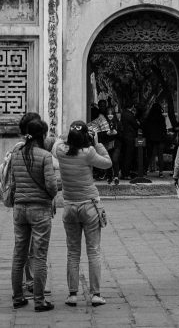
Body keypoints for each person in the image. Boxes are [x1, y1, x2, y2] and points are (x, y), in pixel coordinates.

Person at [53, 120, 111, 307]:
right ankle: (95, 294)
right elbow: (107, 163)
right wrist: (96, 142)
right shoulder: (89, 153)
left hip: (69, 206)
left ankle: (72, 294)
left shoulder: (61, 151)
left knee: (73, 251)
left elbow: (57, 141)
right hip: (89, 206)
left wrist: (69, 135)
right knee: (93, 251)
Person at [10, 118, 57, 312]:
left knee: (19, 254)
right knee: (39, 256)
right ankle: (39, 300)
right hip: (39, 210)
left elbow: (13, 182)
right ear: (42, 135)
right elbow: (52, 187)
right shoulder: (45, 156)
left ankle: (18, 297)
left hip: (19, 209)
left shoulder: (16, 153)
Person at [142, 102, 168, 177]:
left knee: (149, 155)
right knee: (160, 156)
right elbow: (164, 129)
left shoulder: (149, 118)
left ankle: (145, 170)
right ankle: (161, 172)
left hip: (150, 139)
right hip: (160, 139)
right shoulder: (161, 118)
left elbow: (145, 128)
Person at [88, 107, 111, 181]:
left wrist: (96, 135)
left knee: (100, 157)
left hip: (100, 142)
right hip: (95, 142)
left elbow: (106, 131)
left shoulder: (101, 119)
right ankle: (100, 173)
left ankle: (102, 174)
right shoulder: (93, 119)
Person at [119, 103, 140, 178]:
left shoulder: (123, 114)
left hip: (124, 137)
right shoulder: (130, 115)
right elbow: (136, 125)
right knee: (129, 156)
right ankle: (126, 174)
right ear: (132, 106)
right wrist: (137, 122)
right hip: (130, 137)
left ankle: (123, 172)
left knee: (125, 155)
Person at [104, 108, 121, 185]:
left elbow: (122, 134)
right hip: (107, 144)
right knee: (108, 161)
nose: (110, 116)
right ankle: (109, 176)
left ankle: (116, 176)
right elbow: (100, 135)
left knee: (115, 159)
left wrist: (116, 133)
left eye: (111, 114)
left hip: (116, 144)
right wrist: (106, 134)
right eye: (108, 114)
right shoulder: (104, 124)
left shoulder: (118, 123)